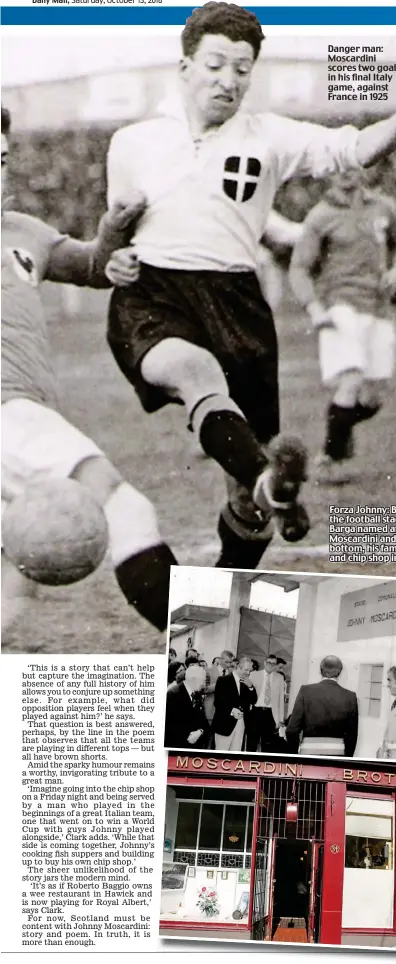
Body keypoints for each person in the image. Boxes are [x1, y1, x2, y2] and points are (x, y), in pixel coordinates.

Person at [106, 1, 396, 578]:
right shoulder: (132, 142)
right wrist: (111, 258)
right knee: (196, 373)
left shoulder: (269, 136)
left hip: (237, 301)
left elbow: (353, 148)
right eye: (217, 64)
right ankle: (269, 478)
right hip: (156, 294)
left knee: (249, 511)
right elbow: (114, 235)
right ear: (185, 67)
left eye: (243, 69)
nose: (229, 80)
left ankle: (236, 558)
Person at [1, 106, 174, 638]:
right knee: (122, 506)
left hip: (20, 416)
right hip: (12, 414)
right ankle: (227, 658)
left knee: (12, 578)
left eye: (2, 159)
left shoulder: (23, 231)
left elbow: (92, 265)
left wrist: (112, 236)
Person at [289, 168, 396, 484]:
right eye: (338, 167)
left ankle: (341, 431)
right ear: (328, 173)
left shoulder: (384, 208)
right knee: (351, 380)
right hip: (339, 305)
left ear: (365, 168)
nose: (345, 173)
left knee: (373, 397)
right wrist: (314, 308)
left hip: (378, 308)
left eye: (352, 165)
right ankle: (330, 457)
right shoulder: (321, 216)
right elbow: (299, 268)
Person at [286, 655, 358, 757]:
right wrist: (347, 760)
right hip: (337, 755)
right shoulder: (350, 697)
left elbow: (291, 730)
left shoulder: (305, 691)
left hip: (308, 753)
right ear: (339, 672)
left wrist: (294, 755)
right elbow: (352, 736)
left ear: (320, 670)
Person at [212, 655, 257, 751]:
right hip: (224, 724)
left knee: (235, 755)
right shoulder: (223, 680)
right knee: (221, 754)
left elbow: (253, 700)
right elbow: (218, 702)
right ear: (238, 667)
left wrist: (251, 687)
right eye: (246, 670)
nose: (248, 673)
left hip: (241, 724)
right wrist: (232, 710)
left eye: (250, 670)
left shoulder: (246, 682)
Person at [164, 663, 209, 748]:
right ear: (194, 680)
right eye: (203, 680)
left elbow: (203, 720)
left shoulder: (197, 694)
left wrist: (200, 731)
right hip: (178, 745)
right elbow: (170, 724)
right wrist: (187, 736)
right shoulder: (173, 694)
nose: (204, 684)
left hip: (195, 746)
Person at [247, 654, 285, 752]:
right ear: (264, 662)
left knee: (268, 744)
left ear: (276, 665)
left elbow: (281, 700)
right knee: (252, 742)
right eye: (269, 663)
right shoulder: (254, 675)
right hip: (255, 712)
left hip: (270, 714)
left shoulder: (280, 678)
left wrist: (280, 720)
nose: (271, 665)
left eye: (273, 663)